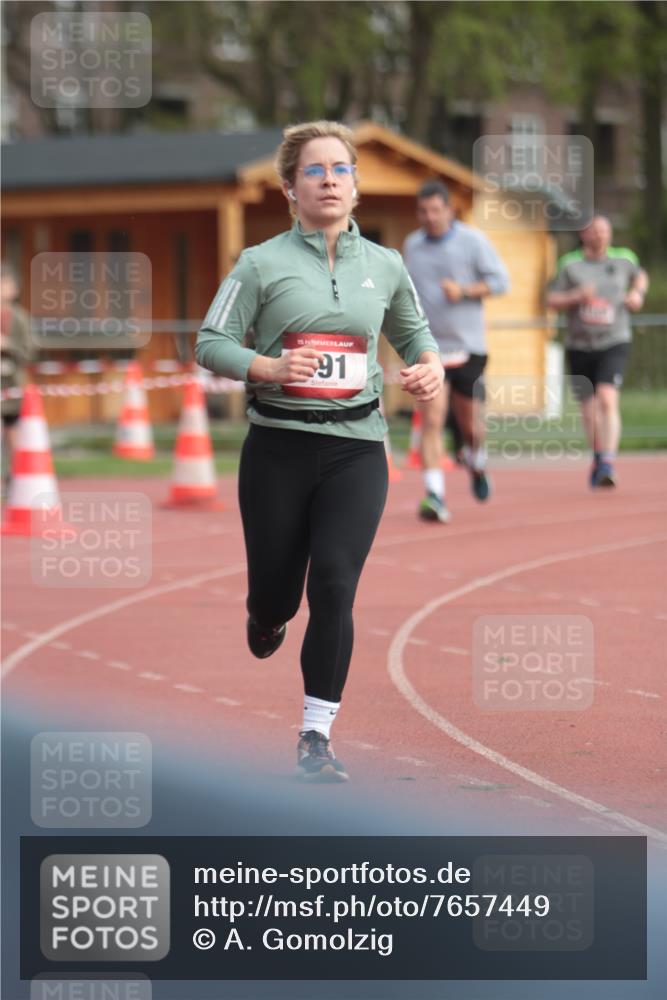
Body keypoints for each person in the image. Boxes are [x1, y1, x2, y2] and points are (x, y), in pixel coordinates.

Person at [195, 121, 442, 782]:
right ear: (288, 187)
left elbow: (416, 336)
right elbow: (209, 344)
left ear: (356, 187)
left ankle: (315, 737)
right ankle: (264, 615)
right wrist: (267, 368)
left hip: (356, 450)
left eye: (340, 169)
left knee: (334, 584)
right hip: (277, 449)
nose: (329, 180)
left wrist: (428, 368)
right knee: (278, 596)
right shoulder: (259, 263)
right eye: (314, 170)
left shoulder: (385, 265)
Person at [403, 180, 509, 523]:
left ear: (449, 210)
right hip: (429, 348)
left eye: (436, 210)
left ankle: (476, 463)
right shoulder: (412, 246)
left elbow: (501, 282)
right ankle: (434, 494)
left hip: (468, 347)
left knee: (471, 425)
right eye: (423, 211)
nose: (430, 217)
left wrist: (463, 291)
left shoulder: (472, 240)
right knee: (431, 419)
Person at [546, 215, 648, 488]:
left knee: (607, 397)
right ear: (584, 235)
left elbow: (641, 277)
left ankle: (608, 461)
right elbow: (551, 299)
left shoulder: (624, 259)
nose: (601, 236)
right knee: (589, 410)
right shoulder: (570, 265)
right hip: (580, 344)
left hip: (614, 340)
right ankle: (597, 454)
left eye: (605, 231)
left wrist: (637, 293)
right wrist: (576, 296)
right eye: (595, 232)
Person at [1, 262, 35, 491]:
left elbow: (29, 352)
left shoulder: (20, 318)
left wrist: (8, 345)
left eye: (4, 284)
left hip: (12, 386)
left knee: (13, 433)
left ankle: (15, 477)